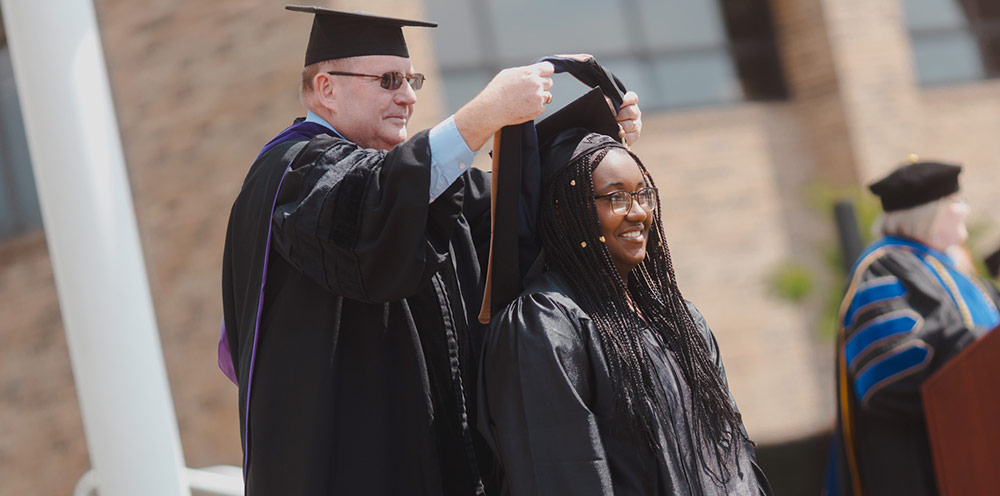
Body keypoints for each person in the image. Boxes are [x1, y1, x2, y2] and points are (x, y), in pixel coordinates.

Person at [218, 5, 642, 495]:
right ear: (327, 88)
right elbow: (375, 206)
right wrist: (483, 115)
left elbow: (513, 210)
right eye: (389, 80)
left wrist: (596, 145)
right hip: (343, 466)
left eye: (412, 80)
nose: (408, 98)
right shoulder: (294, 173)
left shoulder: (412, 186)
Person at [478, 125, 771, 495]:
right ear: (565, 212)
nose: (638, 213)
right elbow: (561, 474)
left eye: (643, 194)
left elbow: (734, 454)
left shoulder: (679, 319)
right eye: (616, 198)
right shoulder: (546, 324)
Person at [828, 161, 1000, 496]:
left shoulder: (959, 274)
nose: (964, 211)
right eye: (956, 202)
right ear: (930, 212)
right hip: (926, 467)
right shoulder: (882, 270)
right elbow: (889, 380)